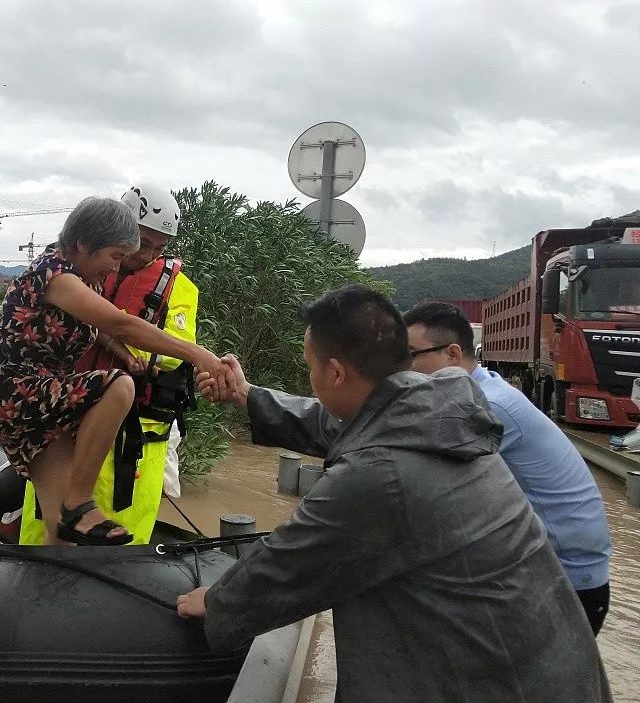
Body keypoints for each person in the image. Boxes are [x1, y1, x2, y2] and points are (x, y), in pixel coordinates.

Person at [178, 286, 610, 702]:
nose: (312, 379)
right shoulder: (434, 409)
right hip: (549, 664)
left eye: (310, 366)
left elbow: (289, 561)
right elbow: (330, 423)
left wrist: (217, 603)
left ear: (335, 372)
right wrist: (249, 396)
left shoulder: (381, 472)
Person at [0, 196, 229, 546]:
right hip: (15, 389)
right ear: (83, 243)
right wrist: (199, 354)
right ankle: (79, 502)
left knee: (57, 528)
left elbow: (103, 331)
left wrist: (122, 352)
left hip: (44, 394)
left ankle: (54, 570)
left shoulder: (83, 276)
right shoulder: (55, 275)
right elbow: (120, 323)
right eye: (115, 256)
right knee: (119, 387)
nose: (116, 268)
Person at [403, 300, 613, 634]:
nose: (405, 368)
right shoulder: (485, 387)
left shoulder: (486, 405)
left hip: (565, 583)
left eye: (412, 355)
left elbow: (412, 466)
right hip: (548, 570)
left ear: (452, 355)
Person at [19, 183, 199, 544]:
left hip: (137, 434)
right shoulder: (78, 273)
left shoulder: (179, 287)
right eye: (140, 243)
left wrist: (137, 349)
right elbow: (99, 325)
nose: (146, 255)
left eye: (157, 248)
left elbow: (173, 352)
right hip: (65, 417)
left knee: (124, 534)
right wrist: (119, 328)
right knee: (46, 528)